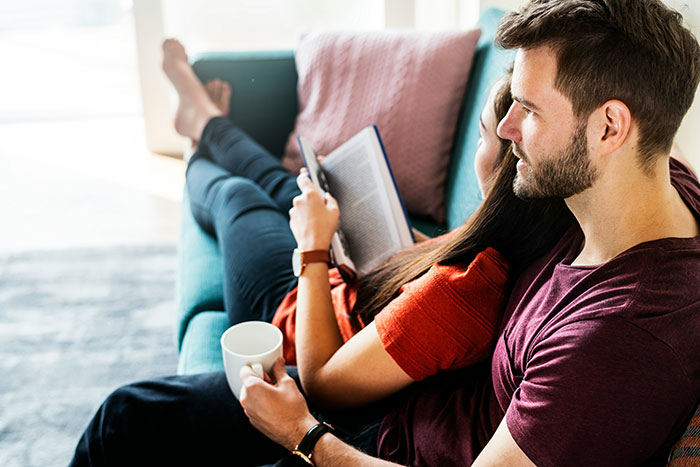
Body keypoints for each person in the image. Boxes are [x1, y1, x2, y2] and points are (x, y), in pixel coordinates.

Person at [70, 0, 700, 464]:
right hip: (397, 405)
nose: (507, 132)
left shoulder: (617, 341)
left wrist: (304, 435)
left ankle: (202, 136)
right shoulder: (655, 184)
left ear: (611, 127)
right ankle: (205, 132)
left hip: (375, 440)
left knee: (126, 419)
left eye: (528, 111)